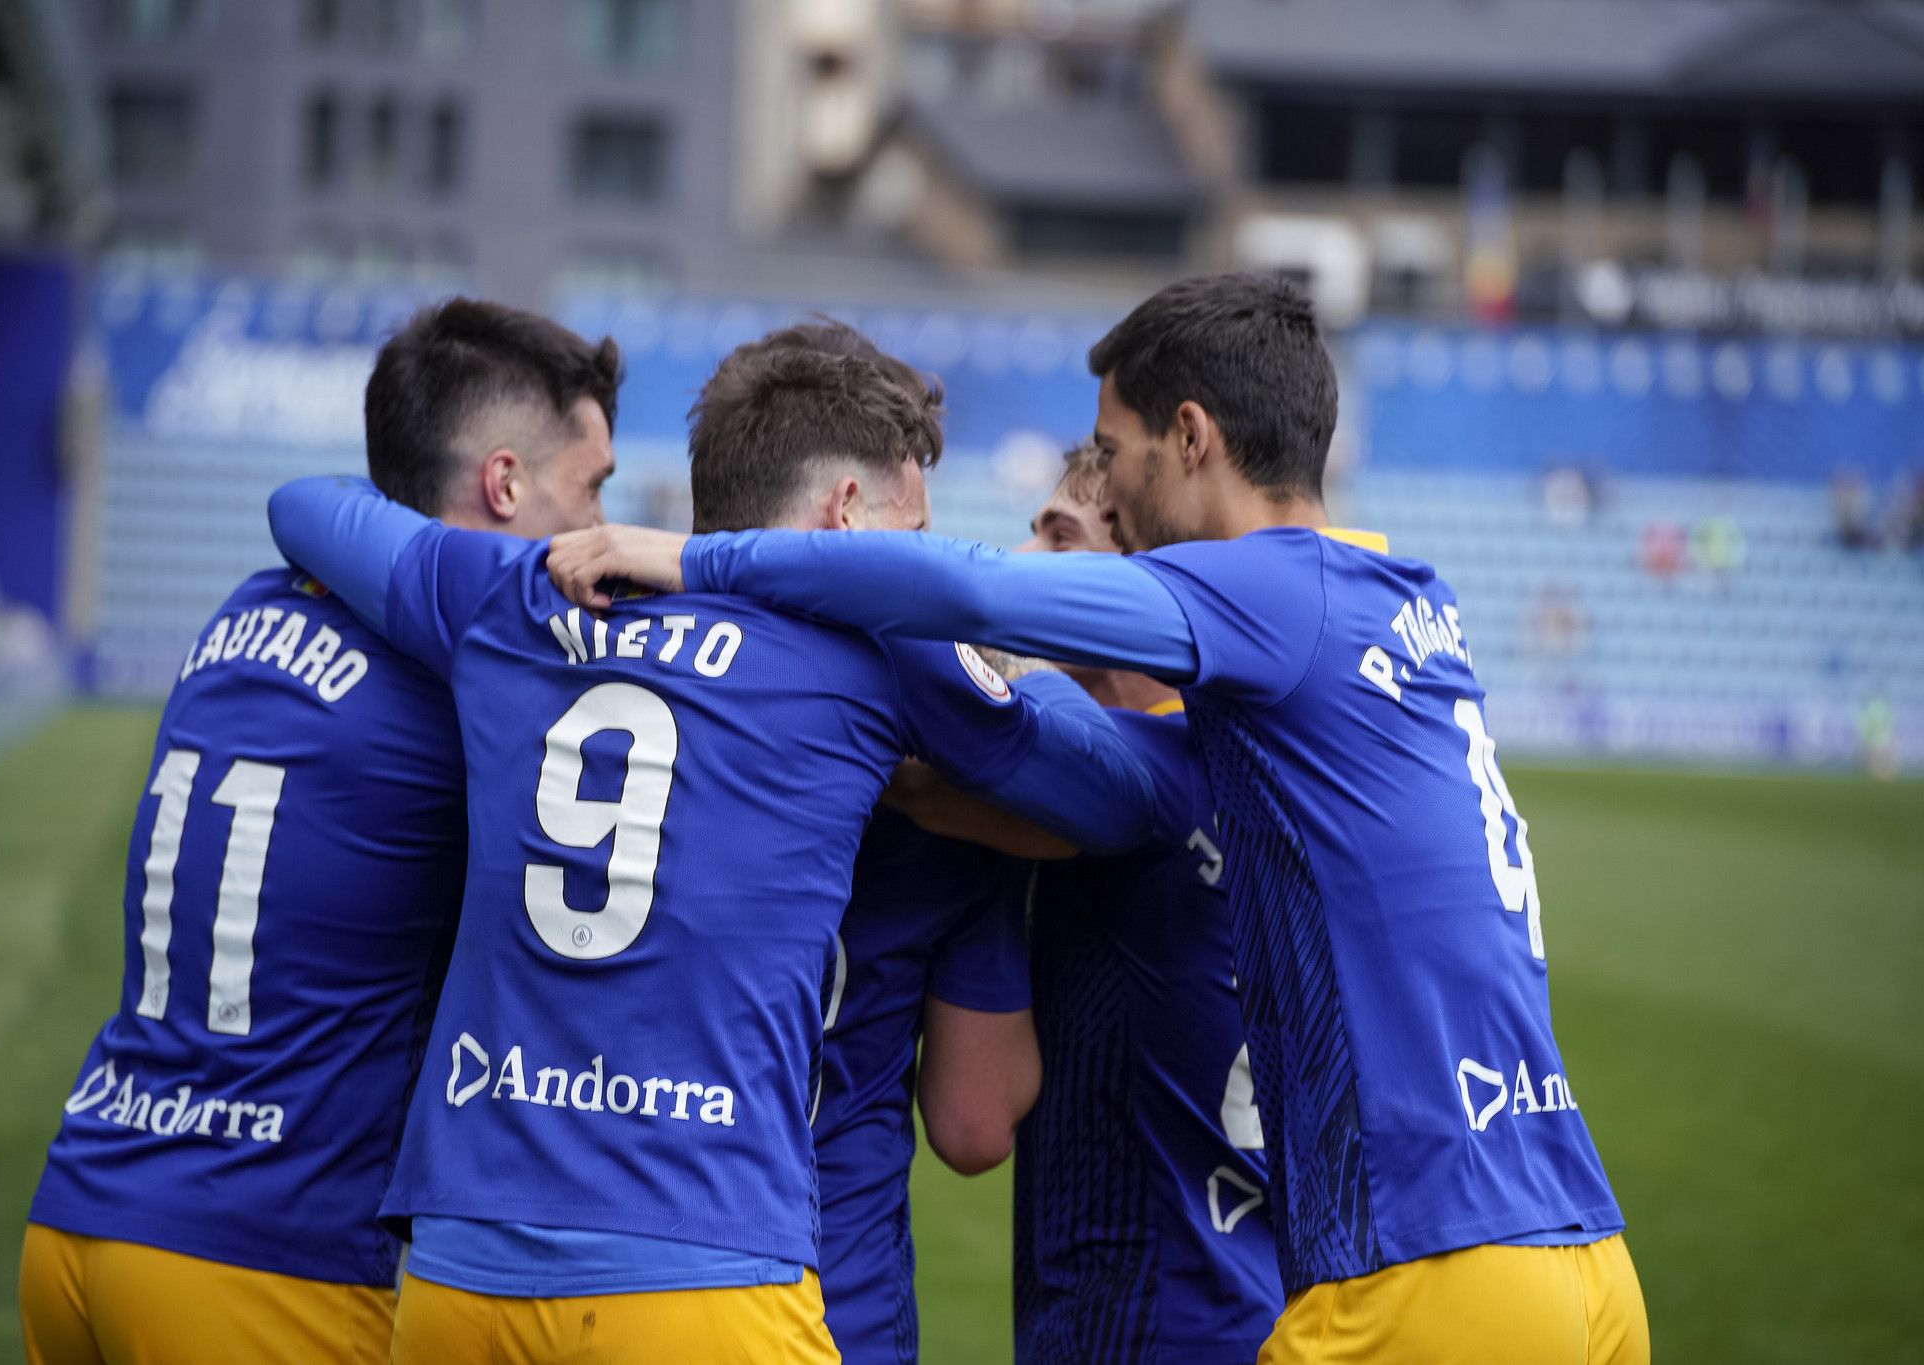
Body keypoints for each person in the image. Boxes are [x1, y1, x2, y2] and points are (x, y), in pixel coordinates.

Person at [546, 272, 1649, 1365]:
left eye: (1105, 473)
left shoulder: (1263, 602)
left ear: (1189, 437)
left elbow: (980, 611)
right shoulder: (1399, 604)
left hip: (1402, 1267)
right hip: (1571, 1239)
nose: (1096, 509)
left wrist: (695, 561)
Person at [263, 343, 1155, 1362]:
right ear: (845, 514)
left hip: (463, 1261)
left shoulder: (526, 596)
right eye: (909, 537)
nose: (919, 560)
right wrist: (998, 652)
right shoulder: (875, 646)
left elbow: (306, 505)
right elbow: (1124, 797)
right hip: (704, 1255)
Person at [20, 299, 622, 1365]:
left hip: (81, 1210)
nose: (603, 532)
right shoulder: (475, 679)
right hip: (261, 1256)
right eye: (593, 492)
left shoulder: (245, 612)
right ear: (504, 483)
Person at [716, 322, 1041, 1365]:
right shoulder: (955, 783)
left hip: (590, 1263)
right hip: (825, 1290)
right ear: (846, 513)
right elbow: (973, 1121)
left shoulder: (578, 688)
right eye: (919, 533)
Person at [1014, 445, 1282, 1362]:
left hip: (1141, 1311)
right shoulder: (1247, 761)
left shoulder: (1129, 778)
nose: (1020, 562)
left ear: (1133, 574)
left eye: (1060, 538)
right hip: (1253, 1294)